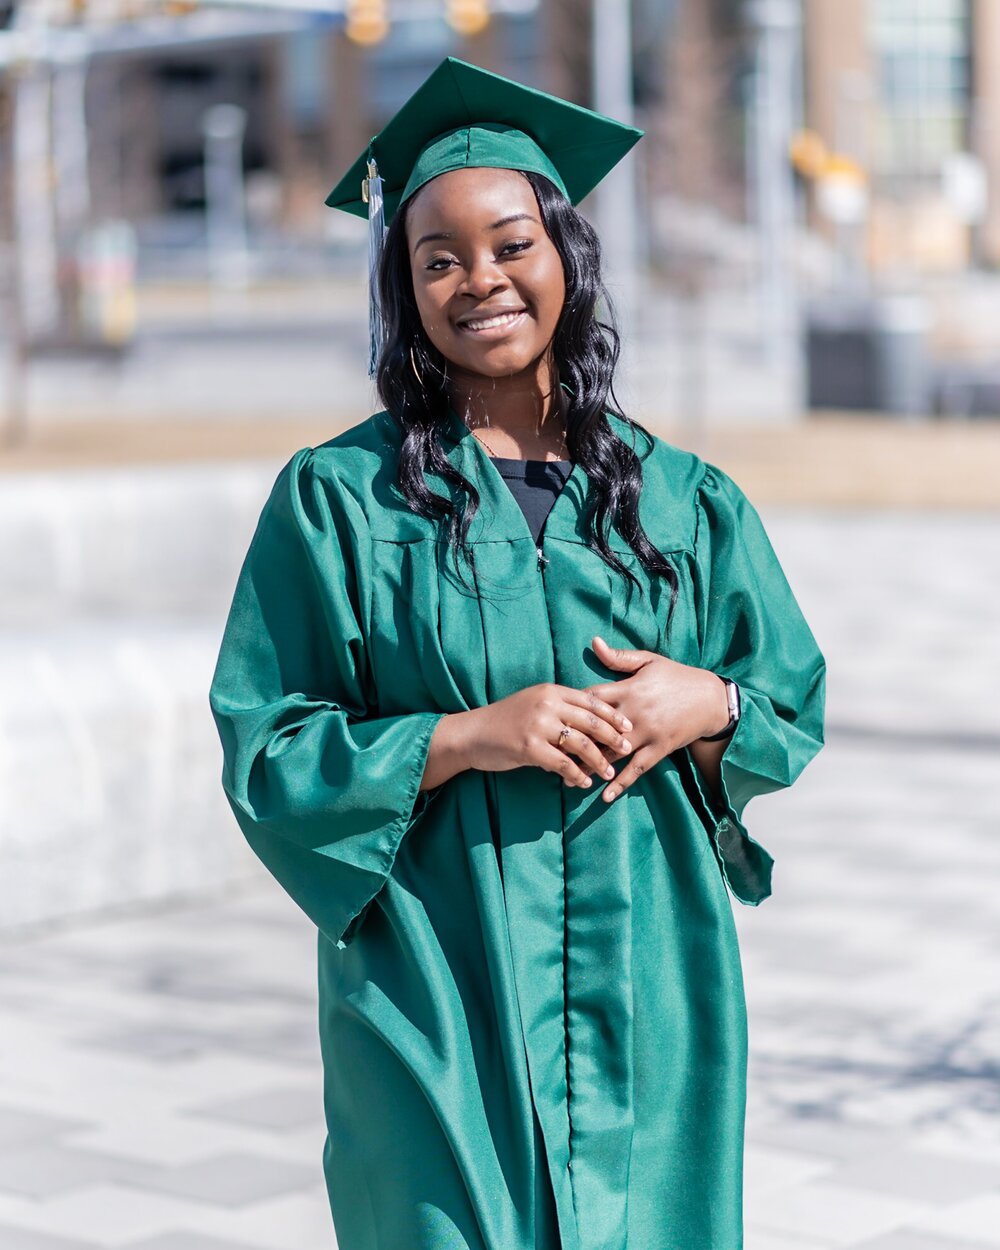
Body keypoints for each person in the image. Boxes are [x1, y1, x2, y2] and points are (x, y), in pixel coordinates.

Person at [208, 56, 826, 1250]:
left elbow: (783, 701)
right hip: (434, 984)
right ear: (404, 289)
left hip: (649, 980)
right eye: (436, 258)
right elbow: (265, 740)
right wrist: (461, 737)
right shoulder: (338, 499)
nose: (477, 279)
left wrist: (706, 703)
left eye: (509, 244)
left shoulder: (686, 502)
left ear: (567, 260)